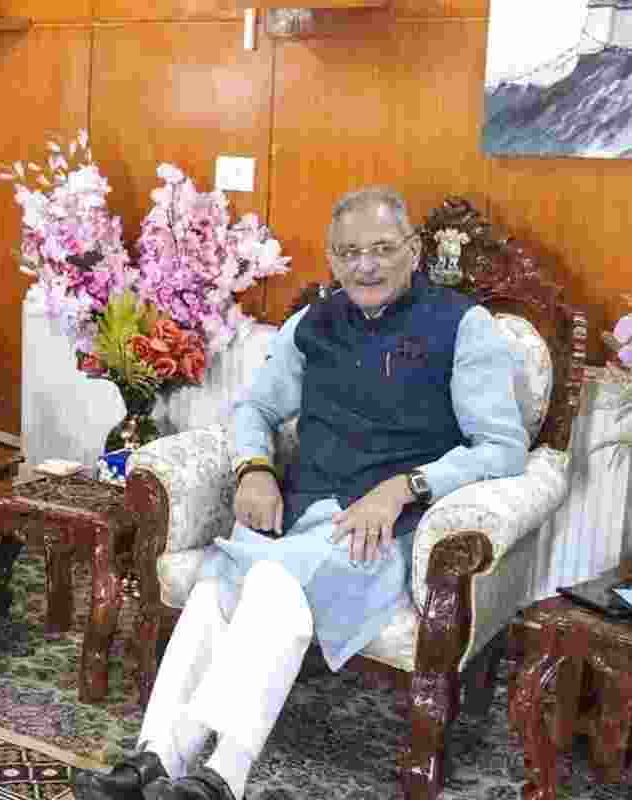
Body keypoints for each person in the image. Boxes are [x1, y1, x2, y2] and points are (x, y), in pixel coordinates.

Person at [74, 187, 529, 800]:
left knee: (262, 583)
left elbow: (501, 447)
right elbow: (255, 408)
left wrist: (408, 486)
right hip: (301, 516)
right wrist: (254, 468)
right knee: (214, 591)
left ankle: (218, 778)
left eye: (382, 249)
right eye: (348, 253)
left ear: (414, 251)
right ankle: (160, 762)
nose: (365, 265)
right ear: (332, 258)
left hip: (381, 533)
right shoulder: (312, 323)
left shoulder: (462, 327)